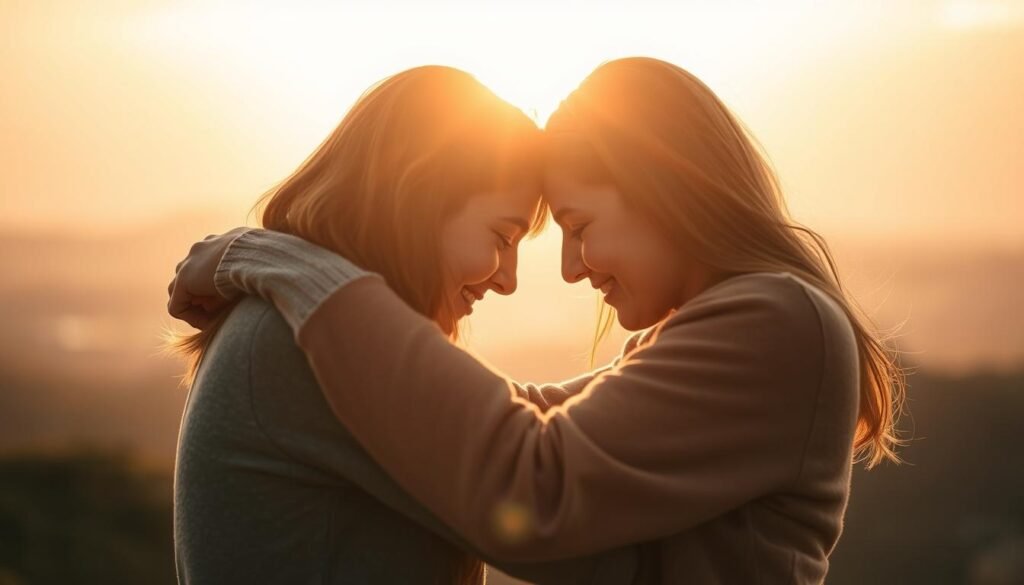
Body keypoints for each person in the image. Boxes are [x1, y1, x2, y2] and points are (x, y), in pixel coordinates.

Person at [169, 57, 904, 583]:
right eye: (502, 236)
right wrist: (294, 273)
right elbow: (530, 450)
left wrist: (290, 267)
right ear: (416, 195)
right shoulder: (292, 344)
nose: (567, 269)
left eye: (580, 225)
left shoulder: (778, 320)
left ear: (665, 194)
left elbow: (533, 485)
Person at [169, 64, 640, 585]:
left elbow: (521, 413)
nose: (507, 281)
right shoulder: (303, 348)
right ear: (418, 200)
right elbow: (549, 527)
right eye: (501, 238)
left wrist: (685, 369)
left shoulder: (301, 329)